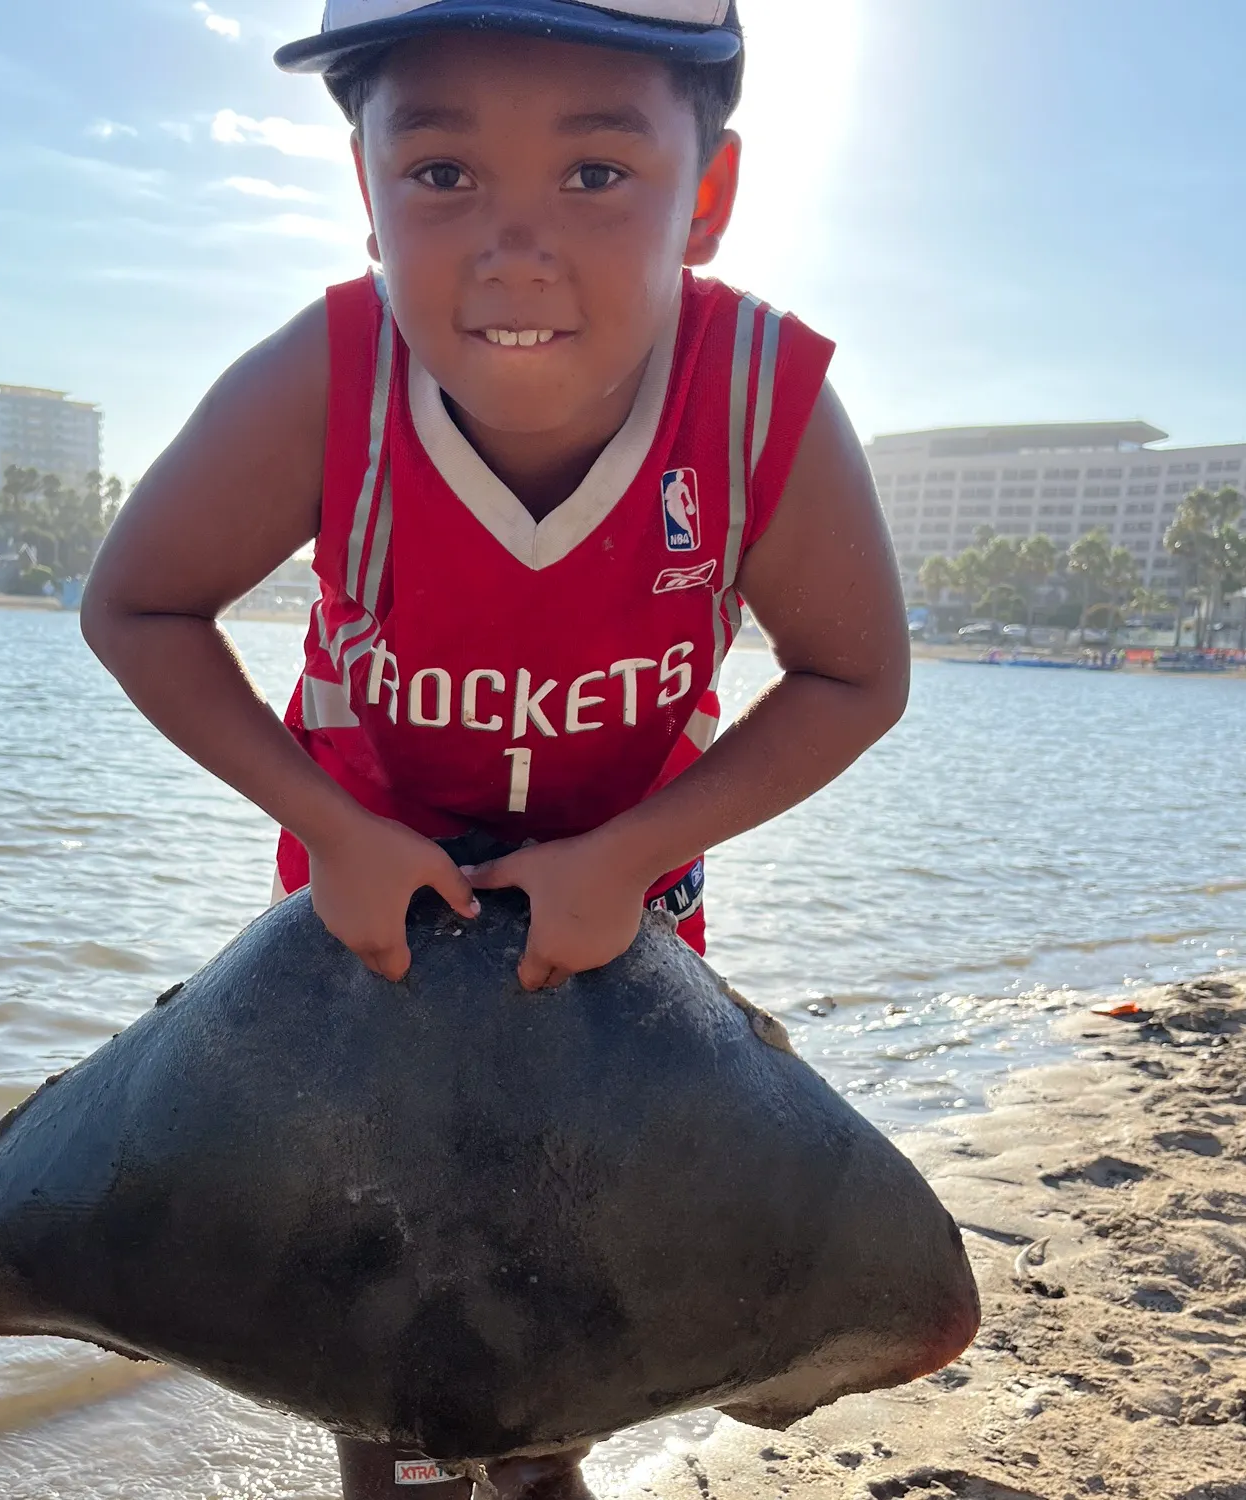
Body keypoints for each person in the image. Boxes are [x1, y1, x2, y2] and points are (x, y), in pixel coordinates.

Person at [81, 2, 908, 1493]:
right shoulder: (326, 376)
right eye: (443, 175)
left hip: (616, 923)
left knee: (560, 1344)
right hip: (363, 923)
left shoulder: (757, 400)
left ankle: (547, 1463)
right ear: (368, 195)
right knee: (375, 1371)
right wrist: (330, 828)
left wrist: (624, 861)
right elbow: (137, 605)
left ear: (706, 199)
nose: (512, 248)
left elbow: (855, 677)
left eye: (596, 177)